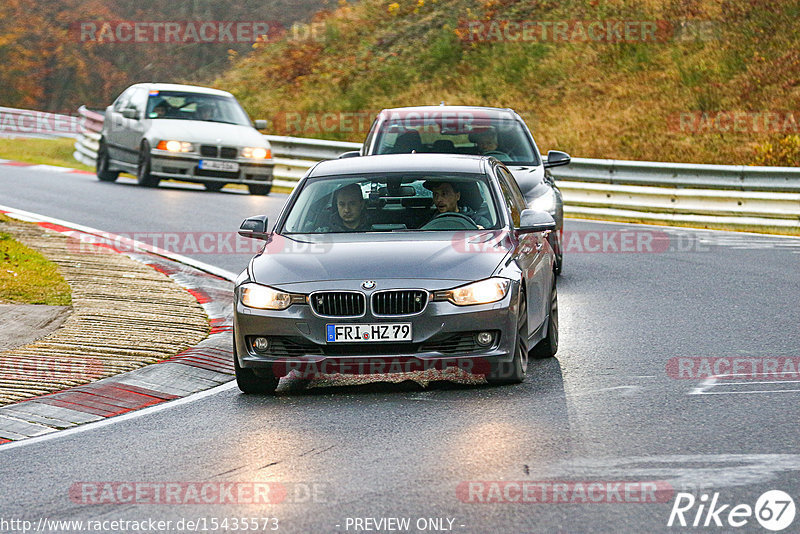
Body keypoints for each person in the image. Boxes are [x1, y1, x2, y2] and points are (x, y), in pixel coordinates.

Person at [423, 180, 490, 228]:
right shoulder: (426, 218)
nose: (438, 199)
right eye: (435, 194)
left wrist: (481, 234)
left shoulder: (478, 221)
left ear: (457, 196)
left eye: (444, 194)